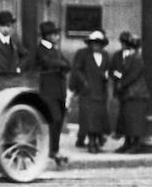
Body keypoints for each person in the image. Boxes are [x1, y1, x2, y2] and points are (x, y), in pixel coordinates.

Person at [35, 21, 71, 166]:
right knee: (54, 119)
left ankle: (54, 149)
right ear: (47, 36)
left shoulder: (56, 50)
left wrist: (60, 65)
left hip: (59, 90)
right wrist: (60, 65)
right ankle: (52, 150)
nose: (57, 37)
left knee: (59, 120)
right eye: (54, 34)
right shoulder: (40, 49)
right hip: (48, 90)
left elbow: (67, 64)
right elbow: (48, 62)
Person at [70, 30, 111, 154]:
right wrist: (84, 82)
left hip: (100, 91)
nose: (96, 46)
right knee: (89, 117)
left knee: (98, 117)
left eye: (99, 43)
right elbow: (77, 70)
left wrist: (106, 76)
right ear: (90, 44)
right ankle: (91, 142)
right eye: (94, 43)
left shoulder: (105, 56)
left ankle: (97, 140)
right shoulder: (84, 55)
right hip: (87, 91)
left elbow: (107, 70)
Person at [113, 35, 149, 153]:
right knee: (127, 120)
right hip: (129, 94)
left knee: (135, 120)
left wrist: (121, 83)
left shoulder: (137, 58)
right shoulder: (129, 57)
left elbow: (132, 75)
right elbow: (121, 72)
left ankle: (136, 144)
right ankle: (127, 142)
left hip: (136, 94)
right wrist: (118, 78)